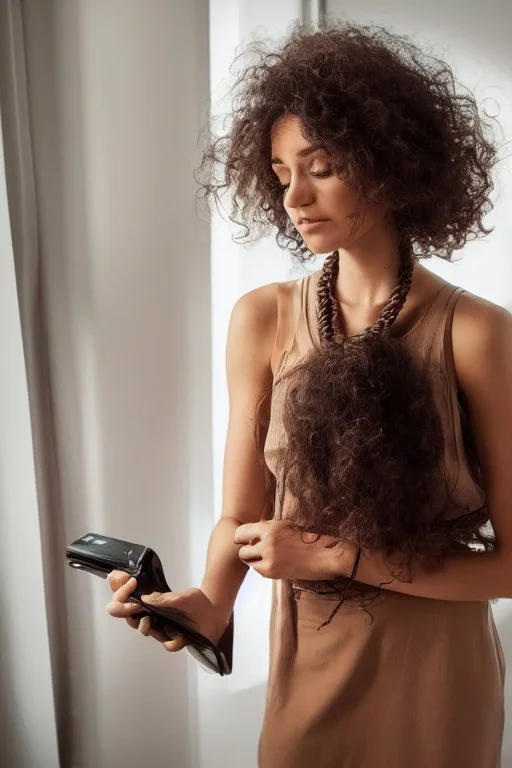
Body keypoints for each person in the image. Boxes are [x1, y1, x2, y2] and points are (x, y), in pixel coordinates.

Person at [106, 22, 511, 767]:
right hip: (308, 673)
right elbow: (242, 513)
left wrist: (339, 556)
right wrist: (208, 602)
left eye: (320, 167)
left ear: (390, 164)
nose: (294, 195)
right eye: (279, 170)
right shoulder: (262, 318)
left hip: (438, 684)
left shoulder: (478, 335)